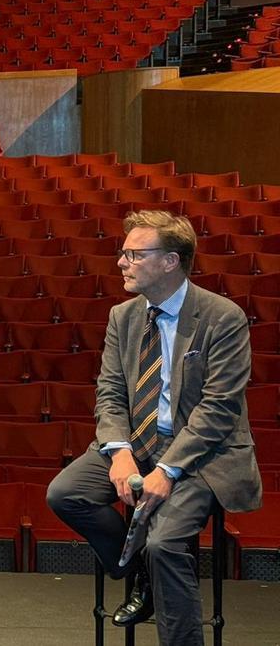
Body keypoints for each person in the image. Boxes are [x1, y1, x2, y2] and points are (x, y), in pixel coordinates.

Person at [47, 210, 262, 646]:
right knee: (66, 493)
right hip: (138, 441)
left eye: (134, 254)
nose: (121, 263)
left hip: (201, 453)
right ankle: (140, 569)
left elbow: (219, 408)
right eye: (123, 253)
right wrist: (120, 452)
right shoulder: (123, 316)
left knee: (165, 544)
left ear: (170, 261)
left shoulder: (222, 317)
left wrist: (167, 470)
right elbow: (110, 392)